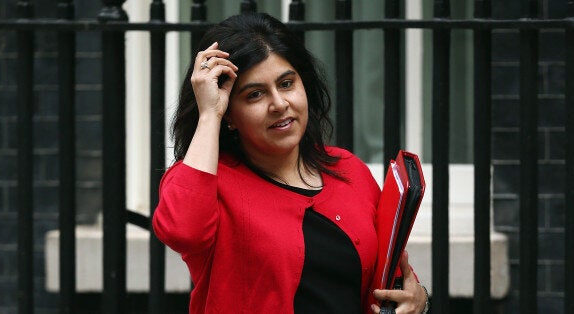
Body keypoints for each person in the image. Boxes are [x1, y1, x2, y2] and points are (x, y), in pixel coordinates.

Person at [152, 12, 429, 314]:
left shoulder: (347, 169)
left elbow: (392, 277)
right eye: (255, 94)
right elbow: (183, 232)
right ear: (230, 113)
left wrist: (420, 300)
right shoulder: (209, 181)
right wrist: (209, 115)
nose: (279, 104)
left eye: (286, 84)